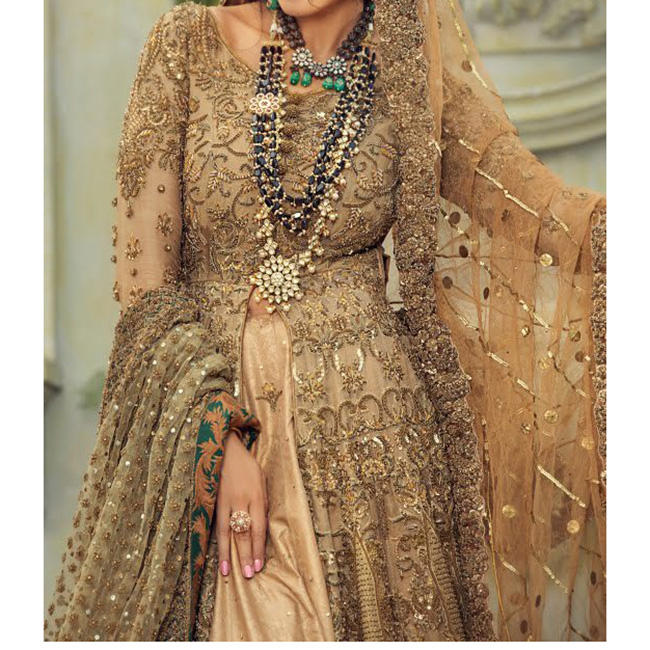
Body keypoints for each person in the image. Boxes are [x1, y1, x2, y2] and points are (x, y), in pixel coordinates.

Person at [45, 0, 606, 642]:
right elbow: (145, 289)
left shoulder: (407, 63)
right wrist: (216, 440)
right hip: (210, 420)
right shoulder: (187, 45)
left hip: (372, 452)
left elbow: (535, 207)